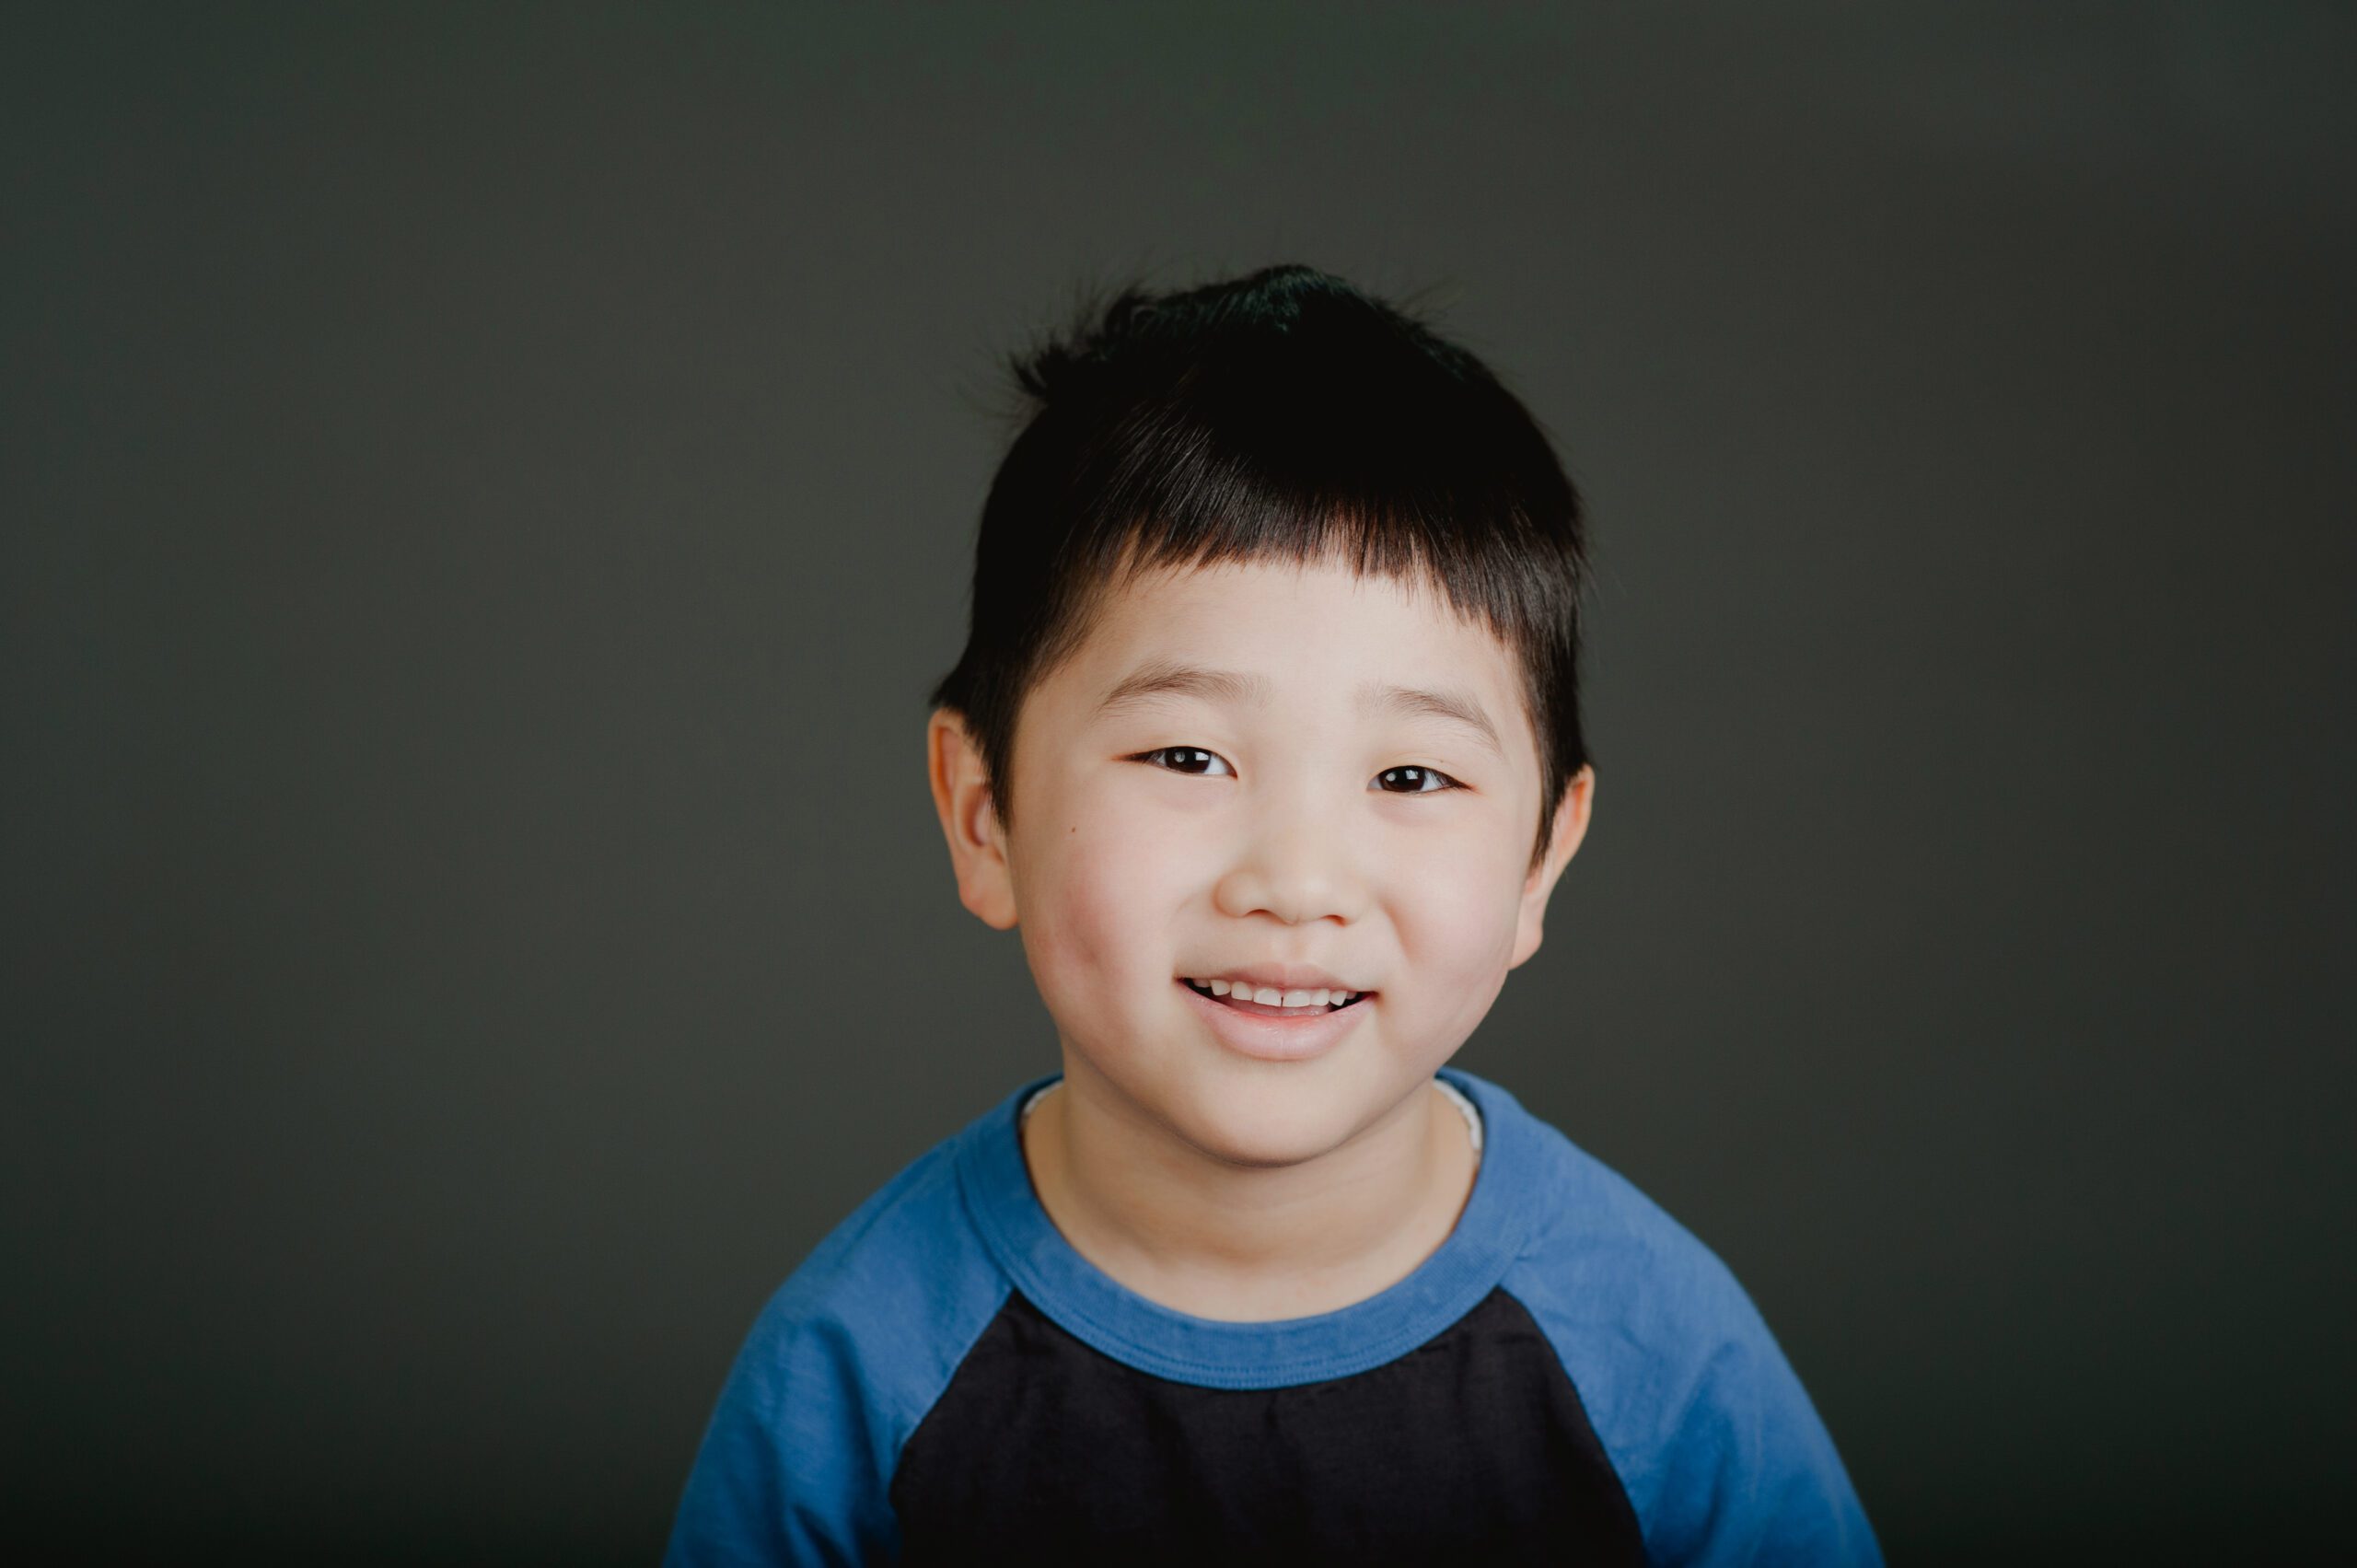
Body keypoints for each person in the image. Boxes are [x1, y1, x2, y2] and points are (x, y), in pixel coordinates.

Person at [663, 263, 1882, 1566]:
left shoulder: (1653, 1359)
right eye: (1187, 758)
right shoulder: (859, 1374)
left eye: (1411, 776)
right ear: (982, 813)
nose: (1296, 883)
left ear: (1541, 862)